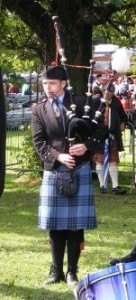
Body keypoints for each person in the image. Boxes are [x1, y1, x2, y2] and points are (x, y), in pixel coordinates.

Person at [31, 65, 97, 286]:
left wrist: (86, 146)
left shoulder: (81, 103)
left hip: (79, 168)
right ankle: (56, 271)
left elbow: (102, 132)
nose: (47, 88)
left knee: (75, 224)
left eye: (51, 83)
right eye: (45, 83)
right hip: (55, 168)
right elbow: (39, 142)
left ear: (63, 84)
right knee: (55, 223)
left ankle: (72, 271)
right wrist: (58, 156)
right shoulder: (39, 110)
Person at [92, 82, 128, 195]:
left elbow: (123, 115)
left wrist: (123, 123)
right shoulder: (96, 100)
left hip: (112, 135)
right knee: (99, 161)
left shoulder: (116, 101)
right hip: (99, 135)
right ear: (103, 91)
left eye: (110, 92)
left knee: (113, 161)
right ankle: (102, 185)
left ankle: (115, 186)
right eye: (106, 91)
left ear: (113, 93)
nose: (108, 93)